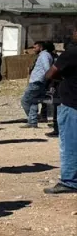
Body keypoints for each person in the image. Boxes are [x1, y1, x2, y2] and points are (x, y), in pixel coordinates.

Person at [43, 28, 77, 194]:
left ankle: (70, 181)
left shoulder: (71, 53)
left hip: (72, 103)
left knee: (69, 144)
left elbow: (50, 74)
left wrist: (63, 78)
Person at [22, 41, 55, 128]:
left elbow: (47, 68)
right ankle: (32, 122)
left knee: (25, 101)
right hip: (39, 81)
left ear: (41, 47)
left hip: (37, 81)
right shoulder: (45, 55)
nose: (34, 49)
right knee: (34, 101)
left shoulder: (44, 55)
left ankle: (32, 118)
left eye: (35, 47)